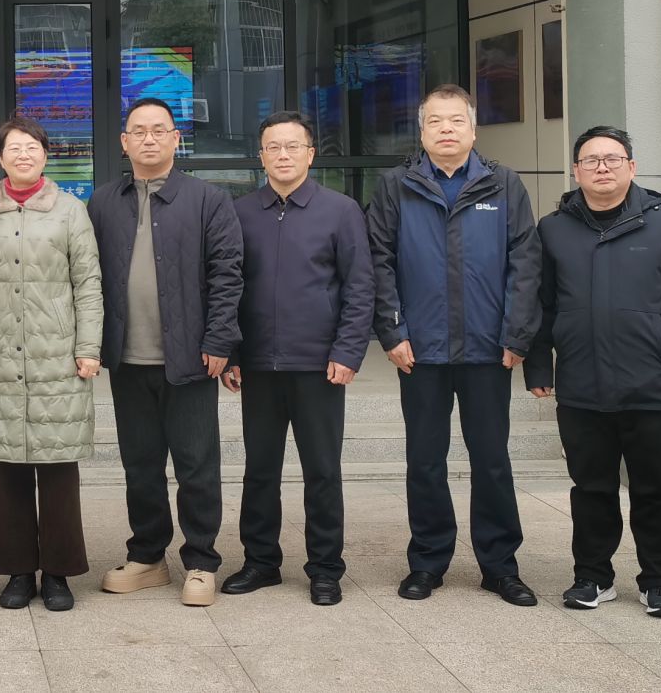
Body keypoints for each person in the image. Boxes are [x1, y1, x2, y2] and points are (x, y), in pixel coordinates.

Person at [526, 126, 661, 619]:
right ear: (576, 171)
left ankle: (659, 583)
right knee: (591, 490)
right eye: (591, 160)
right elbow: (541, 305)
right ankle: (592, 577)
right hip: (582, 387)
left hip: (654, 386)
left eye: (612, 159)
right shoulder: (553, 229)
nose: (602, 167)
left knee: (656, 491)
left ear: (631, 167)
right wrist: (538, 366)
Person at [365, 83, 542, 606]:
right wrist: (392, 332)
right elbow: (379, 262)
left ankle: (500, 567)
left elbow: (525, 264)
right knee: (425, 461)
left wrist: (517, 334)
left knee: (492, 460)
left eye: (456, 120)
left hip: (488, 349)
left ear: (473, 129)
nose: (446, 129)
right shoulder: (396, 185)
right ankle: (427, 562)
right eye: (436, 121)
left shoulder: (503, 184)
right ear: (422, 131)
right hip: (419, 351)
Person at [87, 98, 243, 608]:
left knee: (197, 465)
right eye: (139, 131)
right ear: (124, 142)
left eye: (159, 130)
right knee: (140, 465)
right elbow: (86, 279)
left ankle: (201, 561)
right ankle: (148, 557)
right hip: (127, 359)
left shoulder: (207, 199)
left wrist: (220, 341)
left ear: (177, 138)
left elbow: (227, 274)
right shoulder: (103, 202)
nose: (149, 138)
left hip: (191, 359)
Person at [223, 111, 372, 607]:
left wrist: (348, 351)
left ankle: (325, 568)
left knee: (322, 471)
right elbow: (228, 288)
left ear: (311, 154)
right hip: (258, 366)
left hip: (319, 366)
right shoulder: (241, 212)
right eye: (273, 147)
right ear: (261, 156)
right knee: (260, 470)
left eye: (292, 146)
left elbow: (359, 287)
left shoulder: (341, 210)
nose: (282, 155)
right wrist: (232, 352)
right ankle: (260, 561)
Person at [0, 116, 103, 611]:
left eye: (32, 147)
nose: (23, 154)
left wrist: (88, 347)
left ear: (45, 154)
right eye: (14, 148)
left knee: (58, 467)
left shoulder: (71, 211)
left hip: (56, 354)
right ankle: (17, 571)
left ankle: (58, 572)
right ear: (1, 158)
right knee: (6, 470)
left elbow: (88, 284)